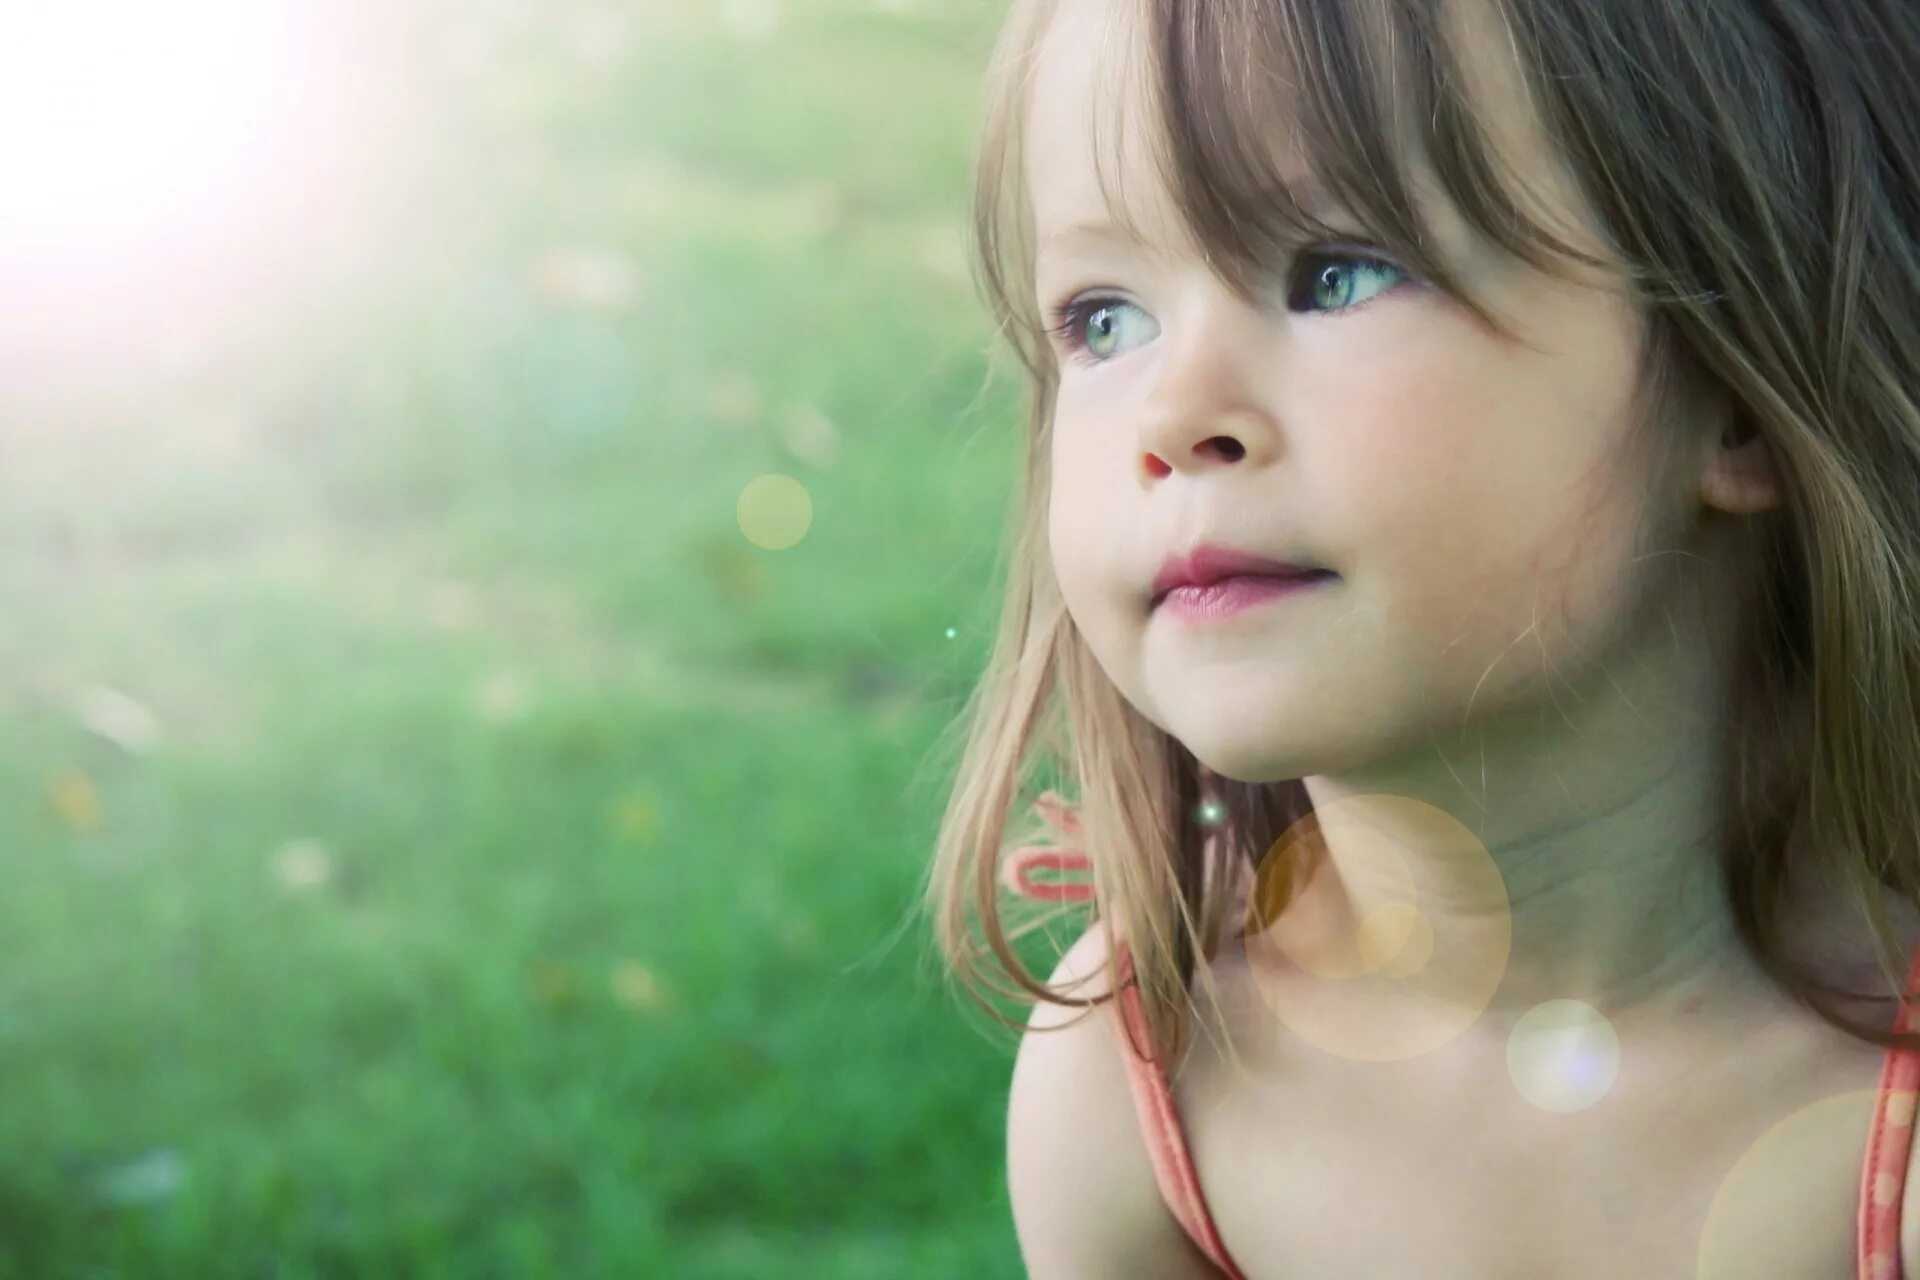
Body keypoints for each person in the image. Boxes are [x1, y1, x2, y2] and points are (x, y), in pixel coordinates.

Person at [918, 0, 1920, 1274]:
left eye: (1338, 271)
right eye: (1103, 318)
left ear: (1735, 388)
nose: (1172, 415)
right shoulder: (1147, 1080)